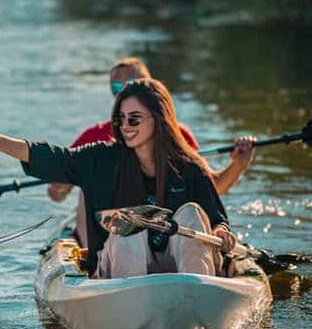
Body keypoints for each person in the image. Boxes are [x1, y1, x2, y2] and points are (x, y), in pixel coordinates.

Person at [0, 78, 238, 278]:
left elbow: (216, 219)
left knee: (191, 213)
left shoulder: (189, 167)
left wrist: (221, 231)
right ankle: (135, 306)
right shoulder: (101, 159)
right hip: (123, 276)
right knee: (128, 223)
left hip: (180, 271)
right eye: (120, 119)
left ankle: (197, 297)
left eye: (134, 119)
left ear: (159, 119)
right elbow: (55, 158)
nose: (125, 127)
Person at [47, 58, 256, 246]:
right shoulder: (94, 137)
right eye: (116, 87)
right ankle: (91, 255)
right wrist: (61, 187)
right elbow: (56, 194)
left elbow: (210, 188)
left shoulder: (178, 135)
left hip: (162, 229)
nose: (123, 92)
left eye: (131, 84)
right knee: (87, 189)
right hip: (109, 231)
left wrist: (238, 164)